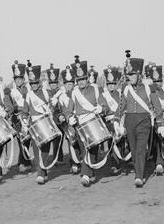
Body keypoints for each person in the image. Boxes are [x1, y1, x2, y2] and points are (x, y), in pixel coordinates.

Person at [115, 51, 156, 187]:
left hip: (144, 121)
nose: (129, 77)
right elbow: (121, 107)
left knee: (140, 149)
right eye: (128, 74)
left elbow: (157, 106)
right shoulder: (126, 89)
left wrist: (160, 122)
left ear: (139, 74)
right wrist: (117, 121)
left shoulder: (149, 88)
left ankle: (139, 176)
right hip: (129, 122)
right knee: (133, 149)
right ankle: (139, 172)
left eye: (132, 74)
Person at [64, 55, 105, 187]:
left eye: (83, 79)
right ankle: (88, 172)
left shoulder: (95, 89)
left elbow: (103, 105)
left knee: (92, 149)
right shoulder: (74, 92)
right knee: (84, 150)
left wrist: (101, 108)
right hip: (80, 125)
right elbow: (69, 110)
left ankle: (86, 174)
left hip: (93, 121)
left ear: (87, 78)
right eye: (78, 79)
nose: (81, 82)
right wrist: (69, 117)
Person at [21, 61, 61, 184]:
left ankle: (42, 172)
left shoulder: (46, 93)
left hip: (46, 125)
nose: (33, 85)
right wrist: (23, 121)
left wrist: (54, 104)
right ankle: (41, 173)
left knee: (45, 150)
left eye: (35, 83)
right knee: (36, 149)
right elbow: (24, 112)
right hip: (34, 125)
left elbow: (55, 108)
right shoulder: (28, 95)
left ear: (39, 82)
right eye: (31, 83)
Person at [101, 65, 126, 175]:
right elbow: (104, 107)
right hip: (109, 122)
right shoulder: (103, 95)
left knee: (121, 142)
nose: (111, 86)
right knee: (112, 143)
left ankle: (120, 161)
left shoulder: (120, 94)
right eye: (109, 84)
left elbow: (122, 107)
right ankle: (114, 164)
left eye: (113, 84)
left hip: (120, 121)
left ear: (116, 84)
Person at [8, 60, 32, 173]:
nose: (18, 81)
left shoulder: (28, 90)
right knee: (21, 141)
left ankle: (25, 161)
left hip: (26, 118)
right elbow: (10, 106)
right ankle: (23, 162)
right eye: (16, 79)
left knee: (27, 141)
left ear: (23, 79)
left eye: (20, 79)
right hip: (16, 119)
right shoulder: (11, 92)